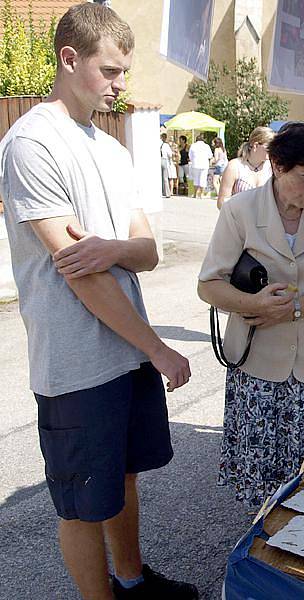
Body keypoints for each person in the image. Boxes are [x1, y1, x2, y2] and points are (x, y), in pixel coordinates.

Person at [0, 4, 195, 599]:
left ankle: (132, 581)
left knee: (122, 477)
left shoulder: (111, 149)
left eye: (123, 72)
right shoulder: (32, 142)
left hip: (124, 351)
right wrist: (159, 347)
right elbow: (78, 276)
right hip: (78, 359)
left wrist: (112, 247)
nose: (120, 84)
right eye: (110, 71)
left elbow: (148, 251)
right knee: (83, 500)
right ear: (68, 58)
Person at [197, 123, 304, 508]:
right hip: (260, 366)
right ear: (276, 165)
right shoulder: (240, 211)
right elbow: (209, 285)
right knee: (265, 481)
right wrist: (256, 305)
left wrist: (294, 308)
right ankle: (265, 546)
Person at [216, 126, 273, 210]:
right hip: (239, 220)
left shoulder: (272, 168)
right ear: (255, 145)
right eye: (269, 147)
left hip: (265, 221)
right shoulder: (234, 166)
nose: (273, 150)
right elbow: (222, 203)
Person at [188, 133, 213, 198]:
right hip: (204, 164)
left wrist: (193, 160)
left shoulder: (193, 145)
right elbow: (210, 155)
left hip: (195, 164)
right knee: (203, 179)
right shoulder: (206, 146)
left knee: (196, 179)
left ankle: (195, 194)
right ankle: (201, 194)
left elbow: (190, 156)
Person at [159, 132, 173, 197]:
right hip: (164, 160)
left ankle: (160, 192)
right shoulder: (166, 145)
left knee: (159, 177)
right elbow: (170, 154)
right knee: (165, 177)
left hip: (157, 160)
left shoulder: (157, 143)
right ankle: (167, 193)